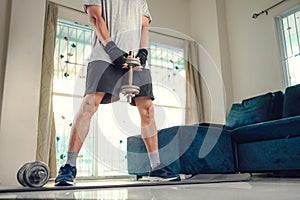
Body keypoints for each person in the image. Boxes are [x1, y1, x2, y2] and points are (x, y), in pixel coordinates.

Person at [55, 0, 181, 186]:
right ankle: (69, 166)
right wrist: (112, 49)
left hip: (134, 58)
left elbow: (143, 25)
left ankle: (156, 167)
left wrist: (143, 51)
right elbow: (95, 17)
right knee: (90, 104)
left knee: (147, 109)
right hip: (104, 54)